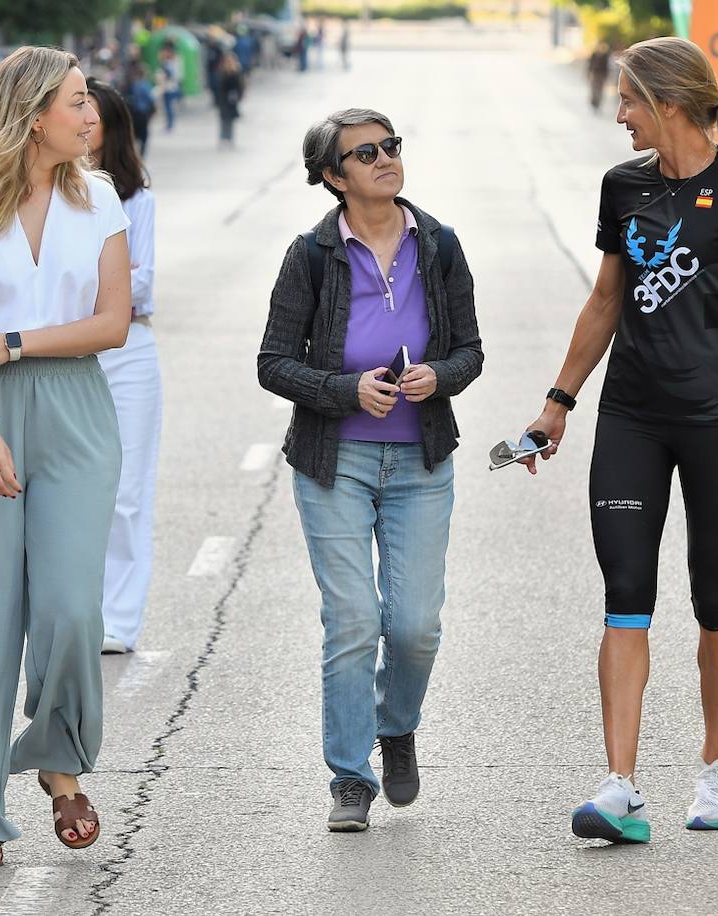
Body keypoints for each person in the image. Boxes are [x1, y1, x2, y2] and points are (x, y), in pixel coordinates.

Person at [521, 36, 718, 844]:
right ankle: (619, 785)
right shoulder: (624, 186)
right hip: (632, 418)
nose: (620, 116)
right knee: (626, 595)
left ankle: (714, 769)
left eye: (629, 101)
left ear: (669, 104)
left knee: (716, 598)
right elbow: (606, 300)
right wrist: (558, 402)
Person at [0, 46, 132, 868]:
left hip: (75, 406)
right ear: (33, 113)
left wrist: (9, 343)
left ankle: (58, 758)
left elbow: (112, 323)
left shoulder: (100, 199)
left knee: (73, 607)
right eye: (77, 102)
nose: (91, 115)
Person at [258, 109, 483, 832]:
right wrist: (344, 389)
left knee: (414, 625)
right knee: (354, 619)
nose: (386, 159)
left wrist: (439, 378)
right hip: (336, 462)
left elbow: (470, 351)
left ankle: (397, 726)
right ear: (333, 176)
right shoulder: (312, 255)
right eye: (366, 152)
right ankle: (350, 777)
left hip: (421, 458)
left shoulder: (439, 245)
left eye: (391, 146)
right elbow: (273, 363)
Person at [86, 78, 162, 655]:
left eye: (93, 119)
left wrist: (83, 290)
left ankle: (118, 620)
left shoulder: (137, 199)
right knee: (71, 489)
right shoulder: (45, 194)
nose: (83, 128)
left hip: (128, 350)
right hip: (62, 351)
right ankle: (69, 610)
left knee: (126, 492)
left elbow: (138, 285)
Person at [123, 62, 156, 157]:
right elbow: (150, 99)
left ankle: (134, 154)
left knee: (134, 136)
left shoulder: (133, 85)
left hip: (133, 113)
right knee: (144, 137)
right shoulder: (145, 85)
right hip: (143, 113)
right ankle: (141, 155)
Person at [215, 53, 245, 149]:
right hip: (224, 99)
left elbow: (240, 86)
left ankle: (230, 137)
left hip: (232, 100)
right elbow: (219, 86)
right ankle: (223, 137)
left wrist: (239, 96)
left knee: (230, 120)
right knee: (224, 119)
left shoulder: (236, 72)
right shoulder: (222, 71)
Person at [157, 42, 184, 132]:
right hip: (167, 87)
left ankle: (170, 125)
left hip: (170, 88)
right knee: (167, 107)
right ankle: (169, 124)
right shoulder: (167, 62)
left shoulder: (172, 62)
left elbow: (172, 75)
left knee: (169, 107)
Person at [587, 41, 612, 113]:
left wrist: (607, 76)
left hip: (602, 75)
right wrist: (588, 73)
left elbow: (607, 66)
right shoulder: (594, 54)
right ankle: (594, 102)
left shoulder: (605, 55)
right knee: (594, 89)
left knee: (600, 91)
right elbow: (590, 65)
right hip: (595, 74)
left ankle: (598, 104)